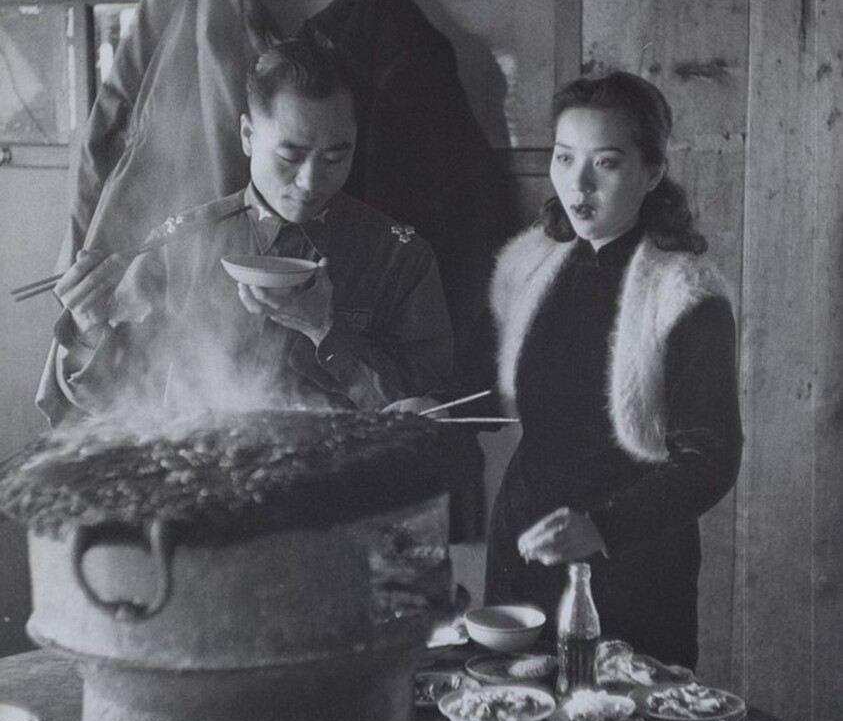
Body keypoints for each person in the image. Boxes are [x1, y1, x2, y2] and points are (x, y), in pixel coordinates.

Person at [48, 38, 454, 422]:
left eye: (335, 157)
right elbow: (109, 402)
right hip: (202, 476)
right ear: (247, 135)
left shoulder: (399, 256)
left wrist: (324, 330)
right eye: (290, 155)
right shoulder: (180, 243)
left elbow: (432, 415)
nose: (311, 181)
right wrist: (89, 327)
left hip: (342, 486)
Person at [484, 71, 743, 669]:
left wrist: (603, 528)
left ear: (652, 173)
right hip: (525, 543)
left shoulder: (686, 292)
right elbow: (481, 375)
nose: (578, 184)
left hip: (636, 563)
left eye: (605, 163)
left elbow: (711, 456)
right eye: (563, 157)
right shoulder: (528, 265)